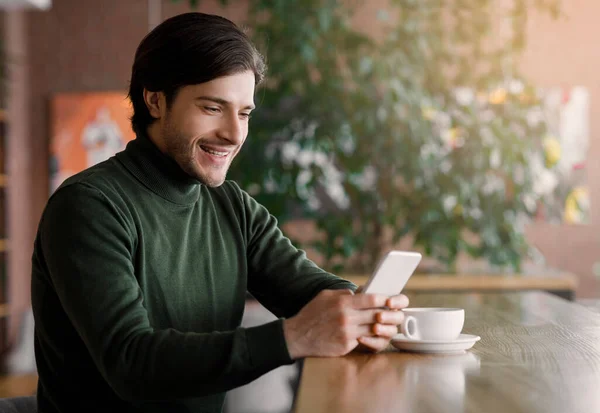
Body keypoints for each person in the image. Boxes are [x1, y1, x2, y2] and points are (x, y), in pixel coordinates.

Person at [30, 12, 409, 413]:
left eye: (244, 113)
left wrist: (361, 310)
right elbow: (130, 362)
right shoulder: (88, 207)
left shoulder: (233, 207)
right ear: (155, 100)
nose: (234, 133)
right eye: (213, 107)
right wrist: (292, 338)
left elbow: (311, 291)